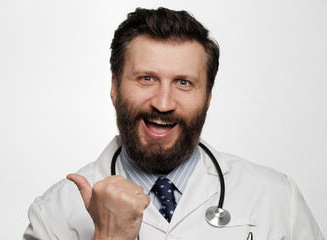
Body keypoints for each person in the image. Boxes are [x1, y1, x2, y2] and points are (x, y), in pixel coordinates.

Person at [23, 7, 324, 240]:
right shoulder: (54, 214)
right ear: (115, 87)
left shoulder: (278, 199)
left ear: (207, 97)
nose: (163, 103)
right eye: (146, 78)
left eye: (183, 82)